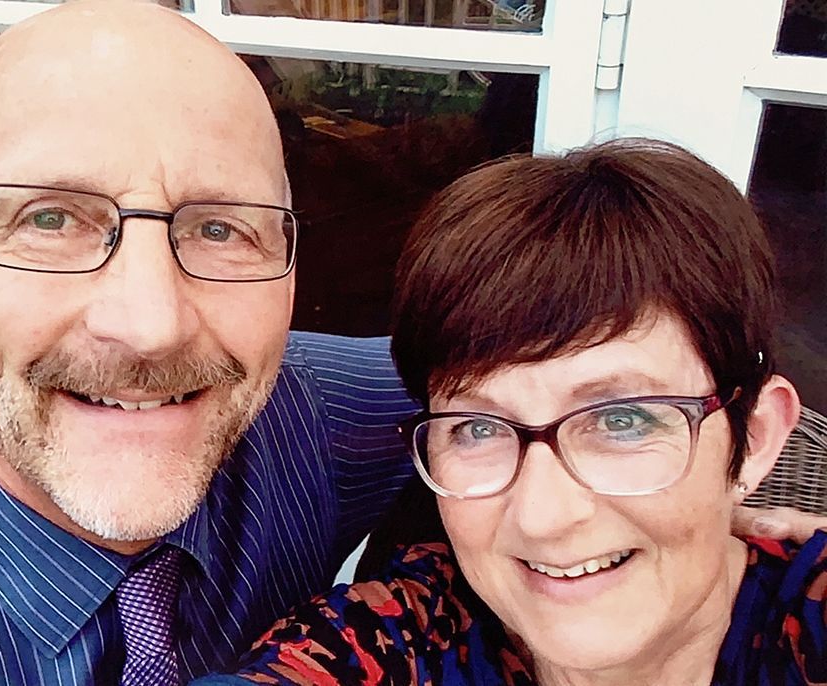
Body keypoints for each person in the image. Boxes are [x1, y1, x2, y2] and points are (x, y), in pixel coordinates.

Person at [0, 2, 817, 683]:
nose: (147, 322)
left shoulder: (316, 411)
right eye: (52, 219)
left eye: (220, 229)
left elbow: (523, 397)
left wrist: (682, 504)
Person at [194, 140, 827, 685]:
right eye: (477, 428)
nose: (545, 517)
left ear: (756, 435)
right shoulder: (405, 638)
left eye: (622, 420)